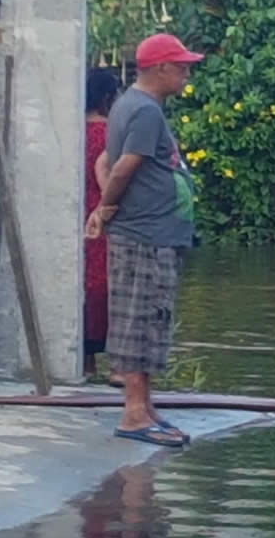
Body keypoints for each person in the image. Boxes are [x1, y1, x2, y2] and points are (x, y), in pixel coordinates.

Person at [85, 33, 203, 447]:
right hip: (144, 235)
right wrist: (107, 208)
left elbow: (106, 161)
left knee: (152, 319)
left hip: (152, 232)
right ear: (161, 68)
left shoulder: (135, 107)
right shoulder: (143, 110)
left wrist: (108, 208)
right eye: (182, 66)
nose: (187, 74)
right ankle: (134, 412)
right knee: (139, 320)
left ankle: (145, 407)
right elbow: (122, 168)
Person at [84, 68, 122, 386]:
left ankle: (84, 362)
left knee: (83, 286)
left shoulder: (70, 133)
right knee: (108, 288)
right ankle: (118, 366)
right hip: (104, 217)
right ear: (109, 98)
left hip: (75, 217)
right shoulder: (113, 135)